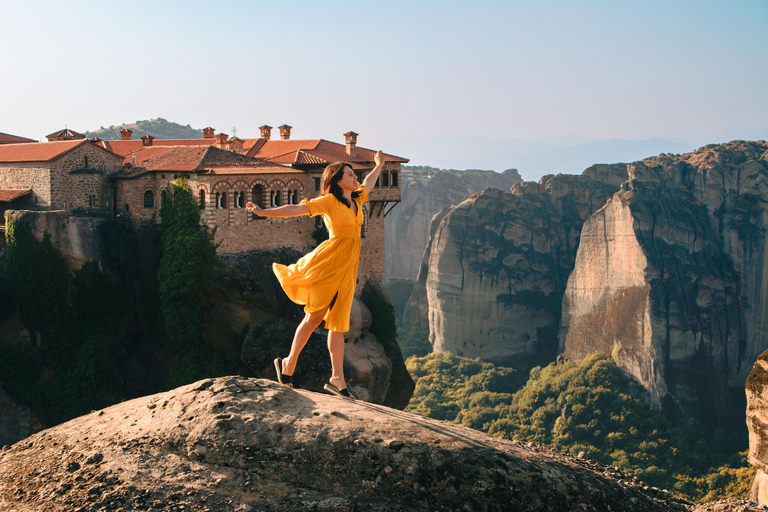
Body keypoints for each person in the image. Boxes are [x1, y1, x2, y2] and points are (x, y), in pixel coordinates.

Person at [245, 150, 385, 399]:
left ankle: (336, 380)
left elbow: (370, 184)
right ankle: (288, 365)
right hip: (329, 263)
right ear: (339, 180)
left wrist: (379, 165)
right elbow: (296, 209)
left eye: (355, 175)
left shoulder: (357, 198)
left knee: (339, 325)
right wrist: (263, 212)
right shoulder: (329, 201)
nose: (356, 178)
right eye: (351, 175)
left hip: (349, 267)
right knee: (314, 317)